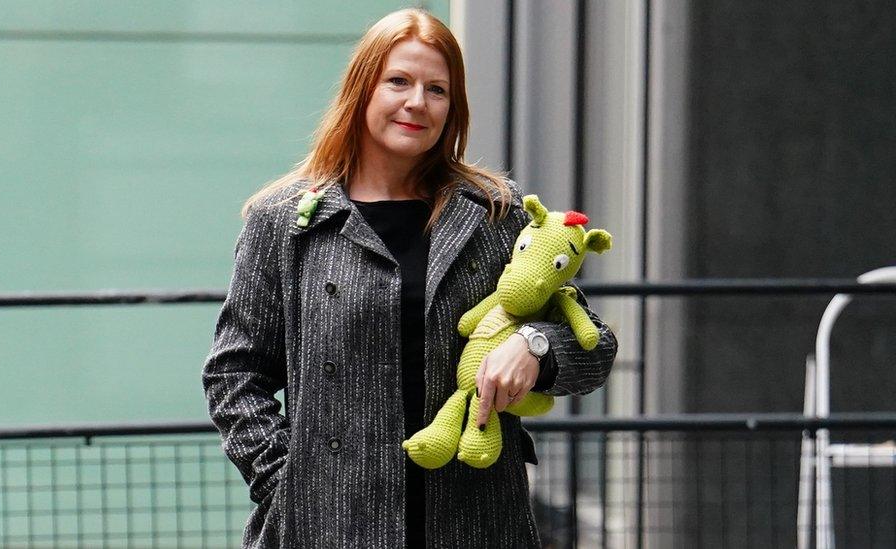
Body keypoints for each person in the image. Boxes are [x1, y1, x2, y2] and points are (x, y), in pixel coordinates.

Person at [202, 8, 617, 548]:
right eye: (398, 81)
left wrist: (535, 347)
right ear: (363, 89)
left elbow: (595, 347)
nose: (416, 102)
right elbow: (234, 375)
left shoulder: (493, 212)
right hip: (330, 524)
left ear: (453, 106)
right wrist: (286, 482)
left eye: (437, 89)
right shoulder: (285, 219)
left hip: (474, 519)